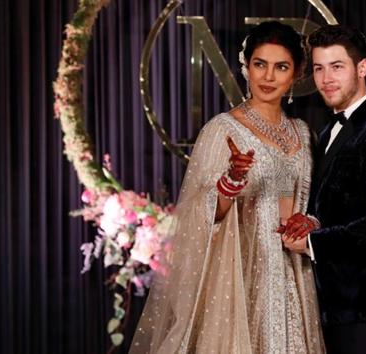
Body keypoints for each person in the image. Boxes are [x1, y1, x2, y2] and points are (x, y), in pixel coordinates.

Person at [131, 21, 325, 353]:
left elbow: (308, 203)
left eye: (281, 67)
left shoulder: (302, 132)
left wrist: (310, 223)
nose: (268, 77)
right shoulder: (223, 130)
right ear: (245, 67)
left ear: (295, 75)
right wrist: (230, 182)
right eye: (259, 64)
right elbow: (200, 217)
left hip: (293, 275)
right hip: (240, 279)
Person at [281, 25, 366, 353]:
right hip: (330, 309)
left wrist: (312, 242)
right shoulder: (328, 133)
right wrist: (312, 222)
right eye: (318, 68)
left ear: (362, 68)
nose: (326, 79)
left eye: (337, 66)